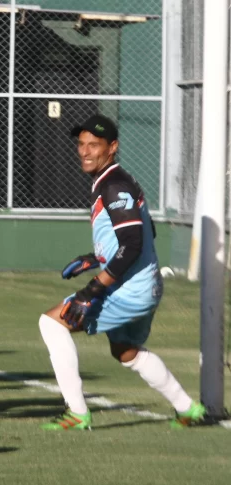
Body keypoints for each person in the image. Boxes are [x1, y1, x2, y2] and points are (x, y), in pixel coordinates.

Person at [38, 115, 205, 430]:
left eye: (95, 145)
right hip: (147, 286)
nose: (86, 151)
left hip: (130, 289)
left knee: (51, 323)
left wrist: (92, 290)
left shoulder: (114, 185)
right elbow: (147, 232)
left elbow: (132, 241)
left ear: (112, 147)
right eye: (82, 144)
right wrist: (96, 257)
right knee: (125, 351)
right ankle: (188, 409)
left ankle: (77, 414)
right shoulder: (116, 180)